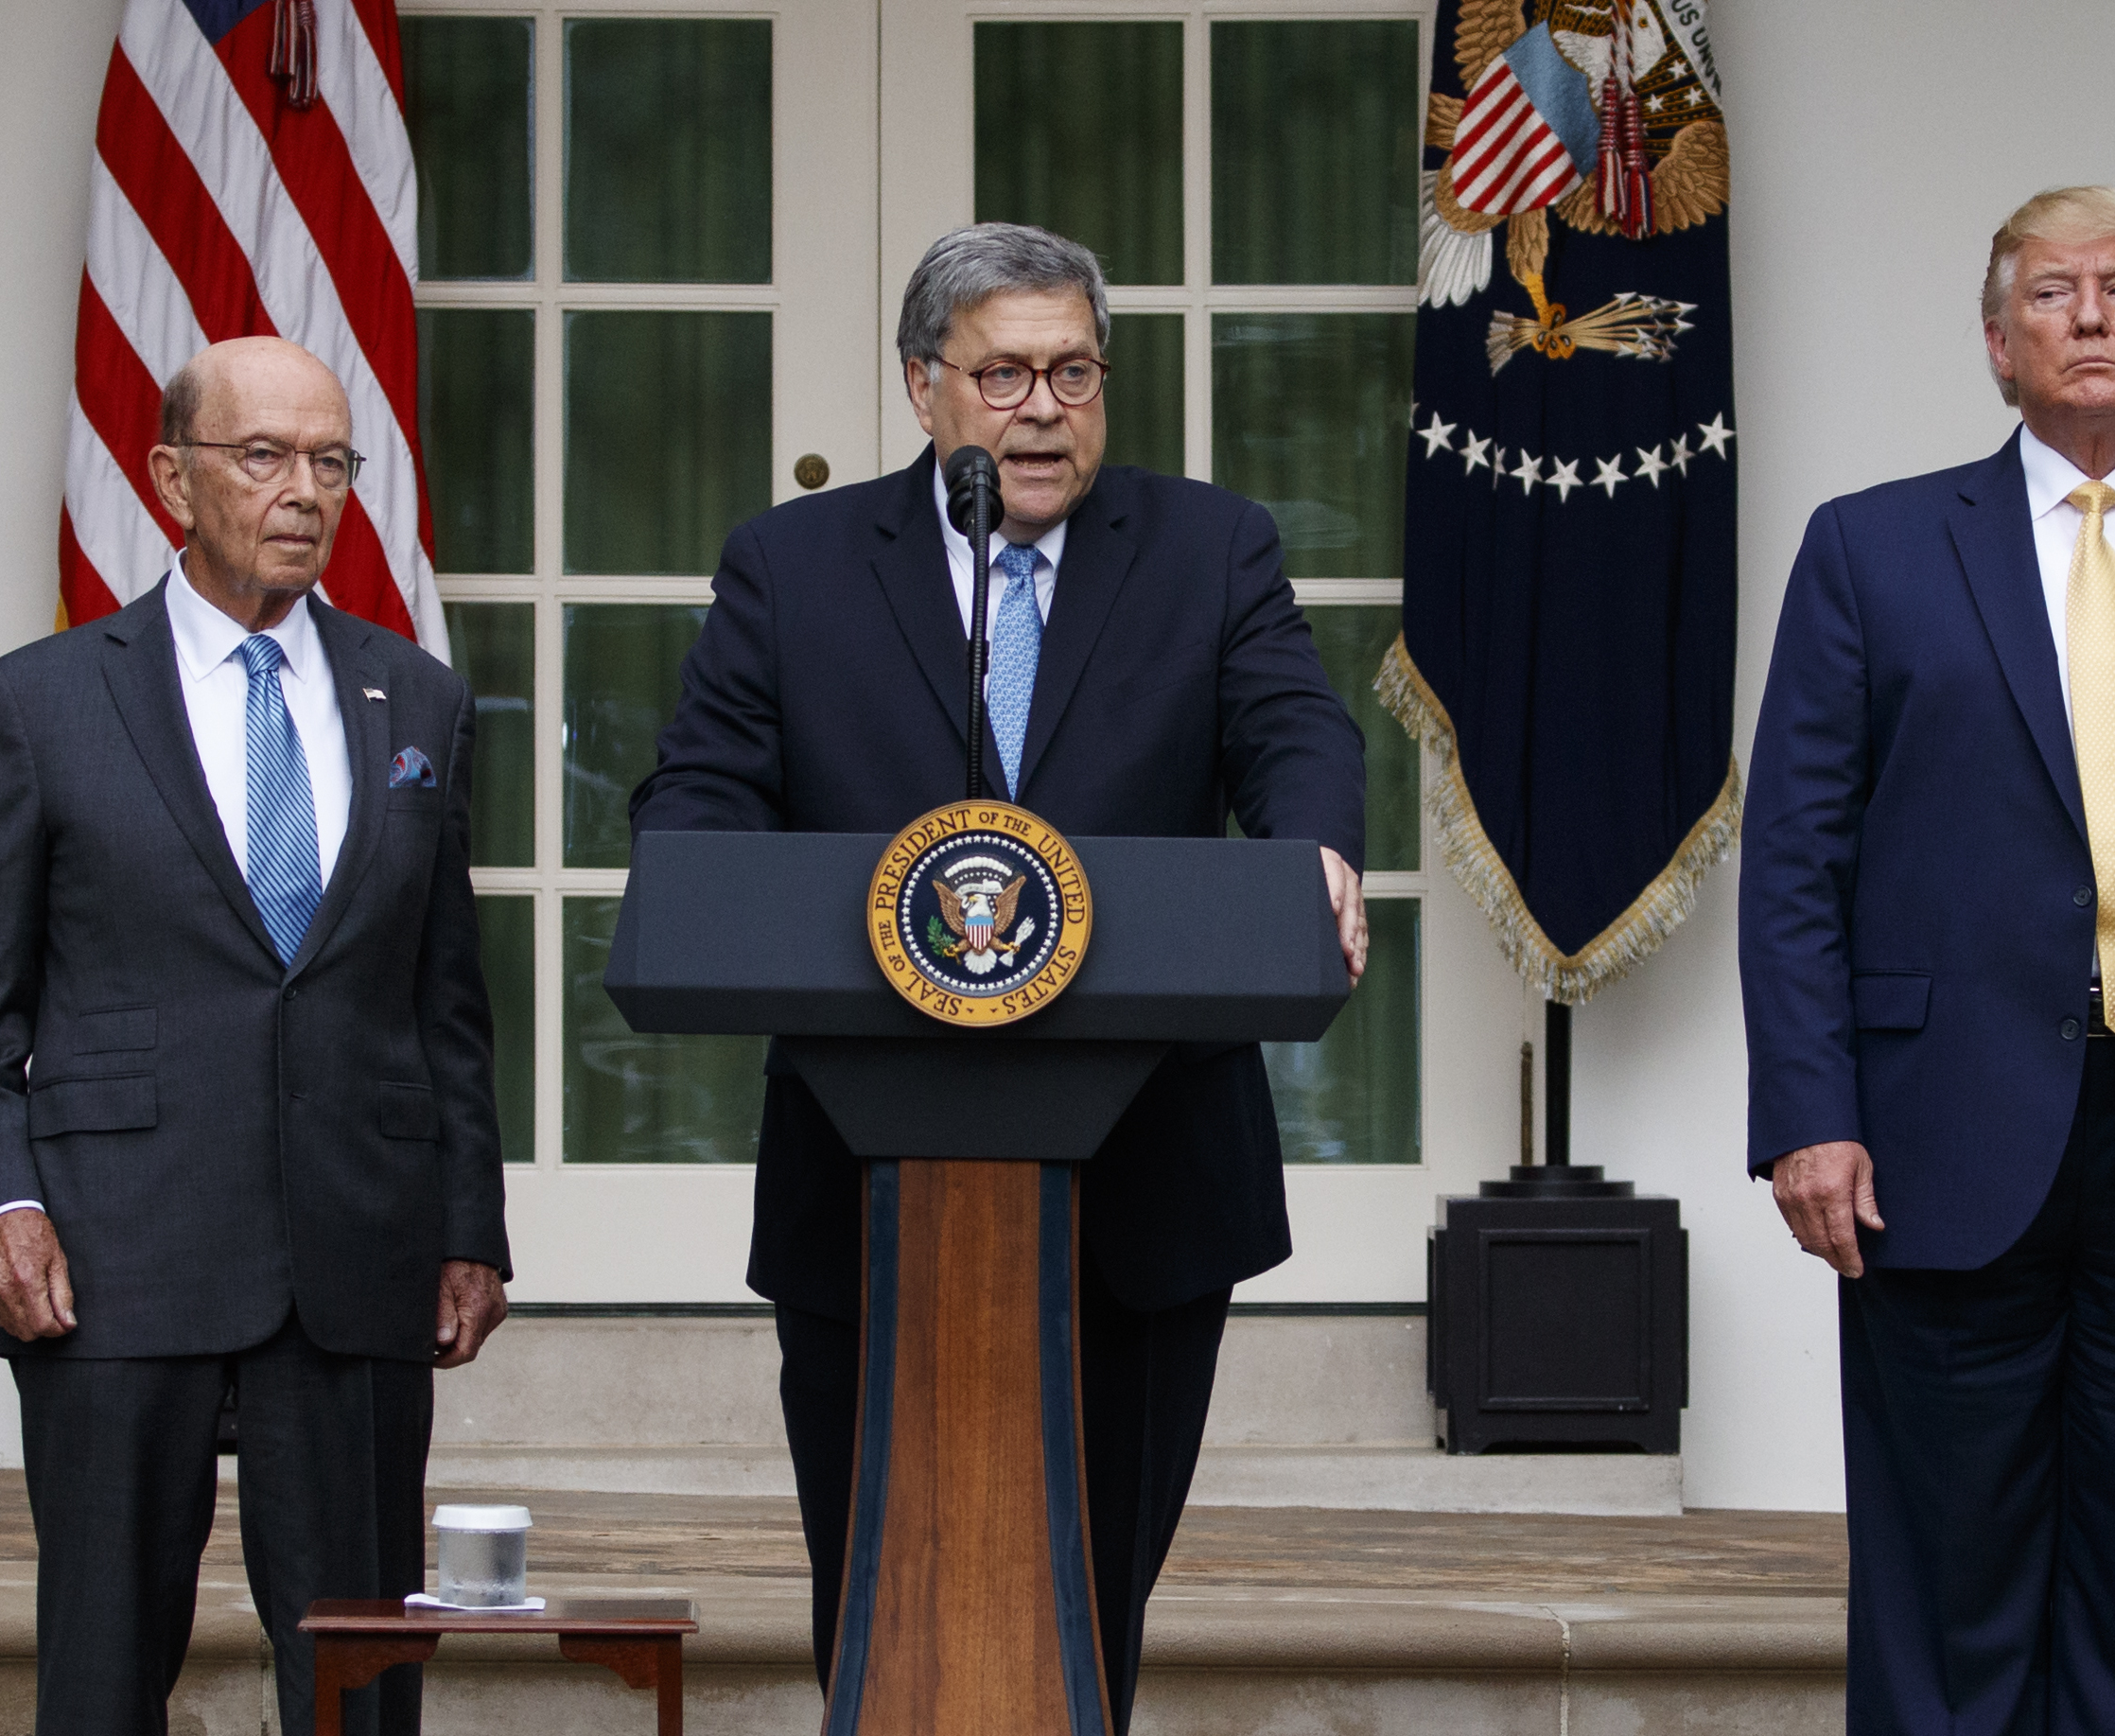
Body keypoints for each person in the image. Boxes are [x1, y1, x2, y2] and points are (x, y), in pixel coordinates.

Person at [631, 221, 1368, 1729]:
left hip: (1151, 1184)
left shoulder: (1211, 546)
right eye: (1006, 373)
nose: (1043, 408)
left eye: (1076, 372)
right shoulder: (795, 564)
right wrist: (709, 884)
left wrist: (1317, 851)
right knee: (879, 1595)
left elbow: (1299, 733)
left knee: (1094, 1612)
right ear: (924, 389)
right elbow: (700, 794)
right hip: (865, 1182)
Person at [1741, 184, 2115, 1734]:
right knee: (1947, 1594)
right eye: (2049, 294)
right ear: (1996, 344)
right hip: (1935, 1142)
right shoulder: (1872, 550)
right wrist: (1809, 1106)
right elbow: (1798, 856)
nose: (2087, 317)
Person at [0, 337, 511, 1736]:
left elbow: (442, 997)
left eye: (331, 461)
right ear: (172, 477)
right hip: (117, 1253)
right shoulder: (42, 703)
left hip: (358, 1256)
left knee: (360, 1690)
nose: (305, 490)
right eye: (263, 456)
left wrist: (472, 1219)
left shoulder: (419, 700)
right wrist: (9, 1199)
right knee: (101, 1681)